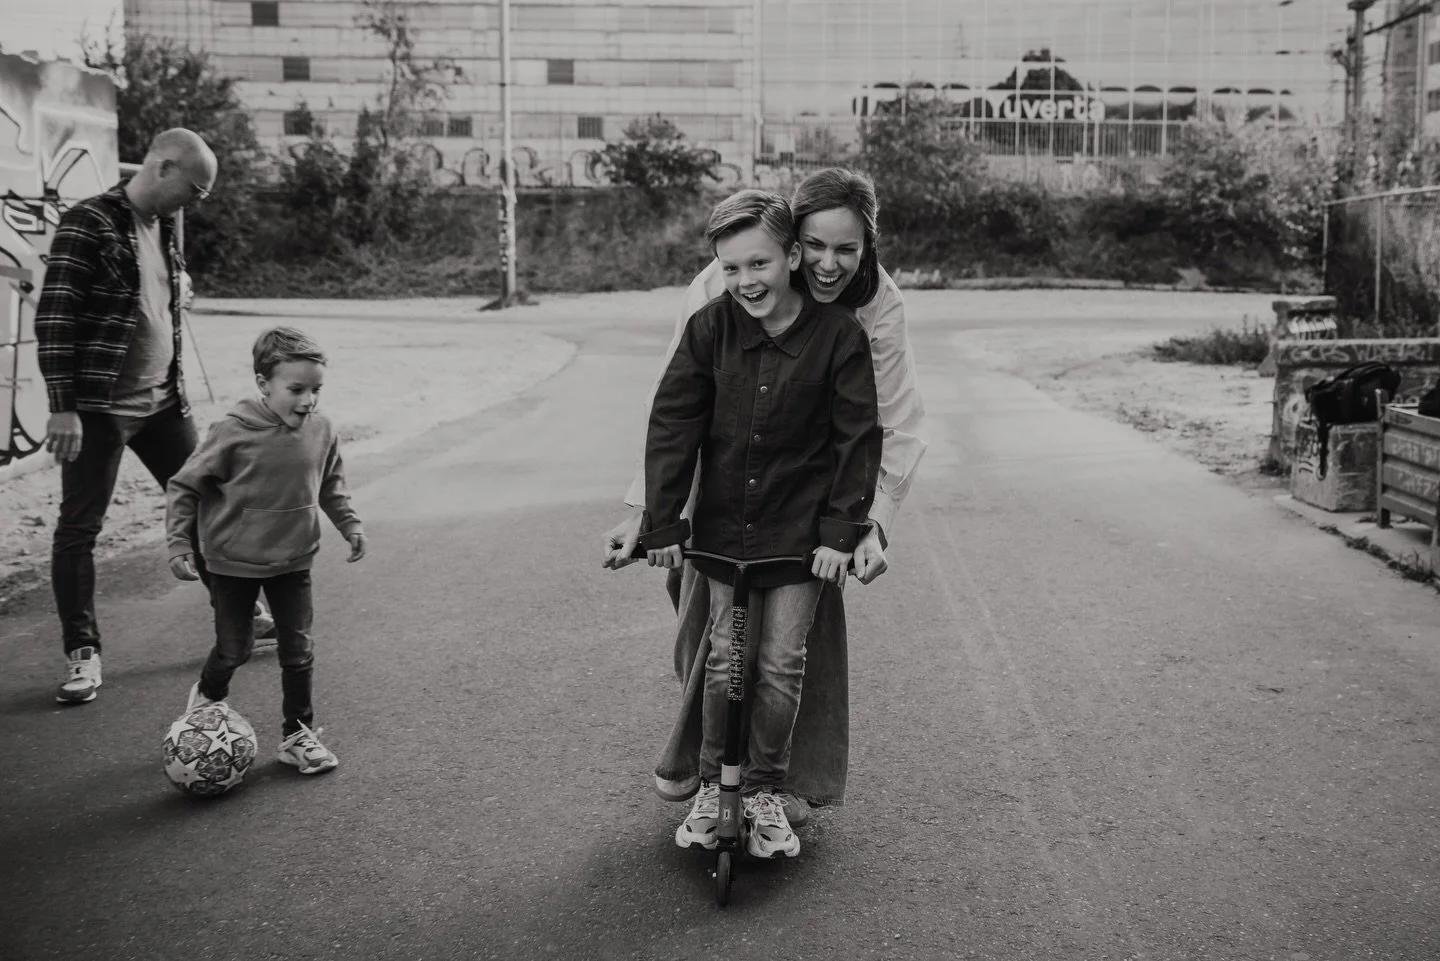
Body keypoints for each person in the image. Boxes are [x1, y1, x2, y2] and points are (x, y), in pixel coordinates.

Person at [602, 168, 927, 824]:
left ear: (868, 245)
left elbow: (890, 421)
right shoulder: (729, 278)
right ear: (790, 239)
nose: (828, 264)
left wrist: (869, 525)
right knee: (709, 629)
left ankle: (777, 783)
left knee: (791, 645)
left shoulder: (875, 305)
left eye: (847, 248)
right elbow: (674, 406)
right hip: (723, 478)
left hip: (808, 488)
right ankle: (703, 768)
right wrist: (648, 510)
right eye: (815, 245)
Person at [36, 127, 271, 706]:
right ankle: (82, 652)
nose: (197, 202)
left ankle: (240, 617)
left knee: (208, 504)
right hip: (99, 409)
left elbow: (152, 306)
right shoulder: (87, 223)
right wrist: (62, 407)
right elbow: (56, 319)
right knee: (80, 527)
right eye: (196, 189)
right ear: (163, 167)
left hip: (163, 403)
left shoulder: (163, 227)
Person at [166, 327, 366, 775]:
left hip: (294, 559)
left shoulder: (322, 430)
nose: (308, 400)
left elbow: (331, 482)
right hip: (232, 563)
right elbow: (184, 485)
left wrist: (349, 523)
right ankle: (208, 698)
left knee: (298, 651)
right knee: (233, 648)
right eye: (296, 390)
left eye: (316, 390)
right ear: (264, 384)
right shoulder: (231, 432)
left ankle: (298, 735)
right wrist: (179, 541)